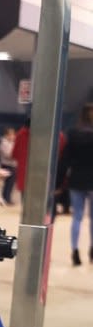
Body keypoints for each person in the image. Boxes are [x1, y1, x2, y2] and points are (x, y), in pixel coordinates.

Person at [57, 103, 93, 266]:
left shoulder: (73, 134)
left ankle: (75, 251)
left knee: (77, 217)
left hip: (76, 180)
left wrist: (58, 183)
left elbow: (65, 160)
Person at [0, 127, 17, 205]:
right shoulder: (3, 144)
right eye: (11, 135)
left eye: (13, 135)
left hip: (13, 165)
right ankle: (6, 198)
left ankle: (8, 198)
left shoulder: (12, 143)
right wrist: (16, 154)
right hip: (7, 165)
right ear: (6, 135)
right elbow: (9, 155)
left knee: (11, 184)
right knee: (8, 183)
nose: (13, 136)